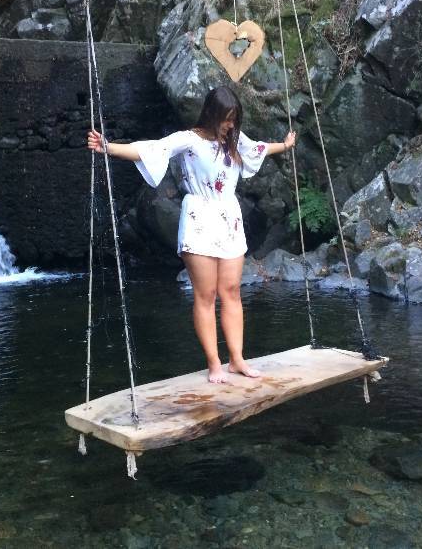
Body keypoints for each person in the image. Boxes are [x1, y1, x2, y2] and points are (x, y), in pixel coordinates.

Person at [87, 86, 296, 383]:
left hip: (229, 219)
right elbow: (149, 149)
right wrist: (108, 146)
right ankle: (214, 363)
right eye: (226, 118)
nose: (231, 124)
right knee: (206, 294)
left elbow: (259, 148)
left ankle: (237, 360)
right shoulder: (189, 140)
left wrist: (285, 146)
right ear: (212, 115)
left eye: (235, 118)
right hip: (199, 217)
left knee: (232, 291)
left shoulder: (235, 140)